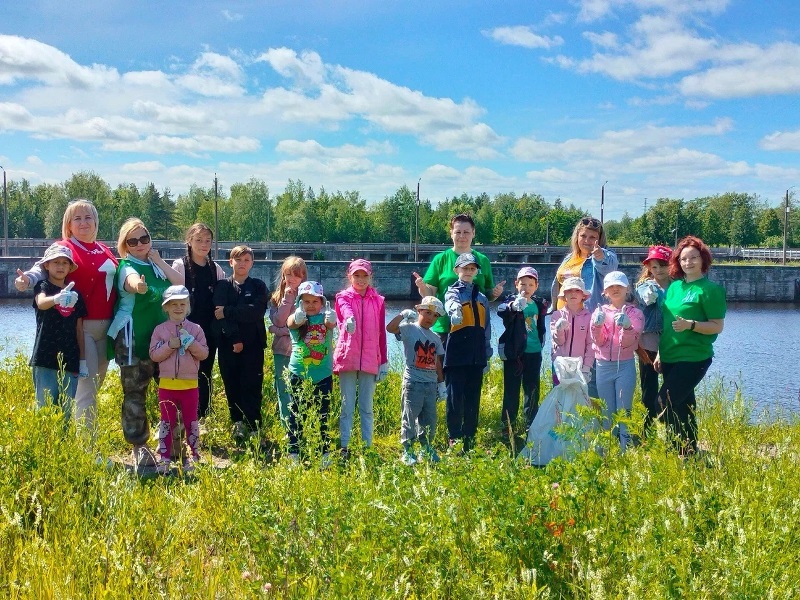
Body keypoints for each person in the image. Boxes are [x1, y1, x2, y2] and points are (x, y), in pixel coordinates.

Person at [15, 199, 118, 438]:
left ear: (96, 221)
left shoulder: (104, 250)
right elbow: (40, 269)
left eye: (88, 217)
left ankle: (78, 440)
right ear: (68, 224)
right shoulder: (65, 248)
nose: (83, 222)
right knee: (87, 389)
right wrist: (26, 280)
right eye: (77, 218)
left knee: (95, 386)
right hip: (82, 327)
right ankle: (87, 449)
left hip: (107, 327)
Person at [108, 217, 184, 470]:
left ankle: (174, 444)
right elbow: (130, 281)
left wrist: (158, 259)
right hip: (134, 340)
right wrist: (138, 286)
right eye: (133, 240)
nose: (140, 244)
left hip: (164, 340)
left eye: (144, 238)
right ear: (125, 244)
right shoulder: (126, 266)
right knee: (135, 394)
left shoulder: (158, 267)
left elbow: (179, 284)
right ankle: (139, 446)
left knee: (173, 390)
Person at [654, 236, 726, 455]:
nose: (688, 262)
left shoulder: (710, 290)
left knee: (662, 403)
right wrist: (659, 352)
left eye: (694, 257)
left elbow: (717, 326)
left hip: (694, 357)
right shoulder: (675, 287)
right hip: (669, 355)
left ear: (703, 260)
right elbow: (667, 323)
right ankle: (685, 451)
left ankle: (679, 449)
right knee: (683, 406)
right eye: (684, 259)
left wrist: (690, 325)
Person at [550, 216, 618, 397]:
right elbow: (557, 287)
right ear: (576, 237)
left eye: (593, 237)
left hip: (586, 324)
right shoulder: (568, 259)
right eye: (583, 236)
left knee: (588, 377)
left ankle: (593, 422)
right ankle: (561, 421)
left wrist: (600, 256)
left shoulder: (602, 256)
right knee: (560, 378)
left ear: (600, 239)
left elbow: (610, 266)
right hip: (563, 324)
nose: (587, 241)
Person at [413, 213, 504, 341]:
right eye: (458, 232)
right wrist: (422, 286)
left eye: (466, 232)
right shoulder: (441, 259)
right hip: (445, 328)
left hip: (475, 326)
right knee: (443, 361)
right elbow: (429, 295)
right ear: (451, 233)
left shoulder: (483, 260)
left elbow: (487, 295)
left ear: (473, 233)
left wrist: (495, 293)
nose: (462, 236)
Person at [212, 245, 269, 446]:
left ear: (252, 263)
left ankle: (254, 427)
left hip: (254, 345)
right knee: (232, 385)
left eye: (246, 260)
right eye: (238, 260)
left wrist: (228, 310)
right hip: (228, 346)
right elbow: (218, 316)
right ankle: (237, 424)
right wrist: (235, 338)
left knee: (252, 386)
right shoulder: (222, 286)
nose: (242, 264)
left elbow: (255, 312)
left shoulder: (259, 286)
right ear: (231, 262)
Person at [149, 285, 209, 474]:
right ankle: (164, 458)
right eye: (173, 304)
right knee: (167, 422)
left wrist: (191, 343)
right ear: (165, 307)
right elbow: (154, 355)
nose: (178, 308)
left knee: (191, 421)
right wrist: (169, 345)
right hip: (167, 385)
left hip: (190, 385)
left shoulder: (196, 329)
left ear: (188, 306)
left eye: (182, 304)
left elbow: (205, 354)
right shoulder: (160, 330)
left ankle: (193, 456)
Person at [333, 259, 388, 457]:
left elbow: (382, 332)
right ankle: (345, 446)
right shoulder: (343, 297)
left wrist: (384, 361)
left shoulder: (379, 301)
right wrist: (349, 319)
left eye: (365, 275)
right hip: (348, 356)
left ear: (370, 276)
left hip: (370, 359)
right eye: (357, 275)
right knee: (347, 405)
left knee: (366, 406)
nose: (361, 280)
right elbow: (345, 310)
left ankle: (367, 446)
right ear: (350, 276)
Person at [170, 223, 226, 419]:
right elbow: (172, 298)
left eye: (208, 241)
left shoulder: (216, 269)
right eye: (199, 240)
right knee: (183, 371)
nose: (204, 244)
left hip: (209, 331)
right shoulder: (180, 266)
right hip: (185, 328)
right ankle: (181, 415)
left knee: (205, 372)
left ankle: (203, 415)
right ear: (189, 241)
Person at [29, 243, 88, 425]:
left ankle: (64, 448)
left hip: (70, 359)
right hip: (45, 358)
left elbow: (79, 330)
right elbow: (41, 303)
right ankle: (45, 452)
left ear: (70, 267)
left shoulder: (76, 294)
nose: (61, 266)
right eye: (56, 262)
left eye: (65, 263)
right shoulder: (42, 286)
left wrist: (83, 361)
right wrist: (56, 299)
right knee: (45, 410)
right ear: (46, 265)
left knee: (66, 412)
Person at [386, 296, 446, 466]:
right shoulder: (409, 329)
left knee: (430, 420)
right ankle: (408, 450)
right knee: (410, 418)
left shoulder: (435, 337)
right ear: (419, 311)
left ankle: (426, 448)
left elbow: (437, 362)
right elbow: (390, 328)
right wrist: (402, 315)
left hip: (431, 384)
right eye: (427, 313)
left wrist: (441, 384)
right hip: (413, 383)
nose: (430, 318)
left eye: (435, 316)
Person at [443, 253, 492, 453]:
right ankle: (454, 437)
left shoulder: (482, 298)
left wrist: (487, 354)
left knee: (473, 398)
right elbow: (450, 303)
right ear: (457, 270)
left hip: (477, 354)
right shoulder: (452, 292)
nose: (469, 271)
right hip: (457, 354)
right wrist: (454, 310)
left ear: (476, 271)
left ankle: (470, 439)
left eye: (472, 268)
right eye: (465, 268)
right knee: (455, 398)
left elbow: (486, 327)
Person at [590, 271, 644, 451]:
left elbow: (629, 343)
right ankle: (607, 449)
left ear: (627, 289)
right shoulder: (599, 312)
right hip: (603, 365)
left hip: (625, 366)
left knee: (623, 409)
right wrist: (597, 325)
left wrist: (627, 326)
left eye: (619, 286)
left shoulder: (635, 313)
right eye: (610, 287)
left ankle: (625, 449)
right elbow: (598, 341)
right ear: (605, 291)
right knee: (607, 410)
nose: (615, 289)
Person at [286, 281, 336, 464]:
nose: (311, 305)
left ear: (322, 302)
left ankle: (325, 452)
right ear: (300, 302)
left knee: (323, 413)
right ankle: (294, 451)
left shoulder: (326, 318)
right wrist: (297, 318)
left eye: (315, 301)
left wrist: (333, 319)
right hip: (298, 372)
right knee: (296, 414)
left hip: (323, 374)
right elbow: (290, 323)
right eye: (306, 301)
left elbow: (332, 324)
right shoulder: (297, 318)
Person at [497, 266, 548, 434]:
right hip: (515, 354)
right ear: (516, 284)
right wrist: (513, 306)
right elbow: (501, 310)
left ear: (536, 286)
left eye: (530, 285)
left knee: (532, 390)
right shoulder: (510, 301)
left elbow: (542, 324)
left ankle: (531, 426)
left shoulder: (539, 304)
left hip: (534, 353)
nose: (526, 288)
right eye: (523, 284)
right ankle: (507, 427)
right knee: (511, 391)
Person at [633, 245, 673, 428]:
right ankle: (646, 429)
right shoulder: (645, 286)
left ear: (671, 265)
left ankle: (669, 425)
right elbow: (643, 296)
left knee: (670, 389)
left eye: (662, 266)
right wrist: (649, 294)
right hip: (648, 344)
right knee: (648, 389)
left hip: (671, 343)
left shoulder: (677, 287)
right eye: (653, 267)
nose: (658, 271)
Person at [268, 256, 308, 433]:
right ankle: (287, 429)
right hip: (281, 351)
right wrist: (287, 300)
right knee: (283, 388)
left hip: (300, 351)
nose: (291, 279)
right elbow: (278, 319)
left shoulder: (308, 299)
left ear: (303, 277)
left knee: (300, 391)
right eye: (288, 274)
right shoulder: (277, 298)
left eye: (296, 275)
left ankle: (300, 427)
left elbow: (305, 328)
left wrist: (277, 330)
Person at [550, 277, 594, 385]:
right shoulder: (557, 315)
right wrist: (559, 329)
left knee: (579, 399)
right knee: (559, 399)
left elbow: (591, 344)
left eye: (577, 290)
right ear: (564, 295)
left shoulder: (589, 317)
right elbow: (559, 342)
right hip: (560, 364)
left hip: (580, 366)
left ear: (583, 295)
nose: (573, 293)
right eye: (569, 290)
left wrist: (586, 368)